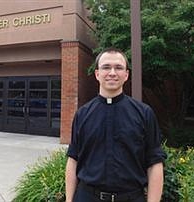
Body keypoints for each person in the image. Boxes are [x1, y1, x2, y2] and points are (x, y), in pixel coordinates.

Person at [65, 48, 166, 202]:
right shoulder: (82, 114)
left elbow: (155, 163)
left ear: (126, 75)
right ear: (97, 74)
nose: (112, 72)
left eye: (118, 68)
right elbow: (73, 160)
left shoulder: (144, 113)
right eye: (106, 67)